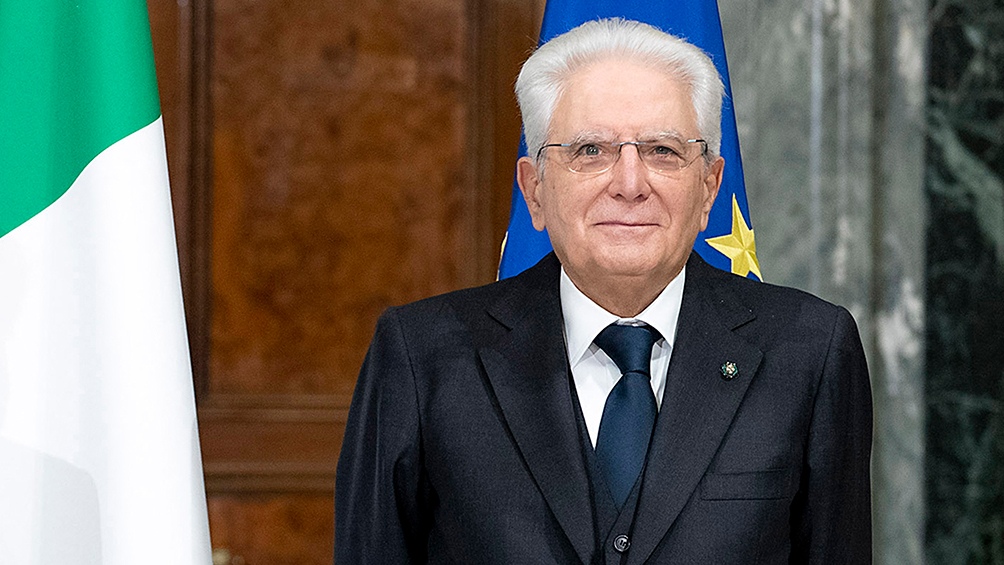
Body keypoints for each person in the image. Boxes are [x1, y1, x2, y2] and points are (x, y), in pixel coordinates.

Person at [335, 18, 872, 564]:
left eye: (663, 150)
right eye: (591, 150)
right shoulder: (421, 355)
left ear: (709, 187)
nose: (630, 183)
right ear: (534, 189)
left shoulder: (810, 352)